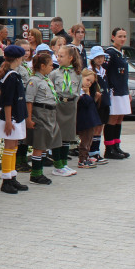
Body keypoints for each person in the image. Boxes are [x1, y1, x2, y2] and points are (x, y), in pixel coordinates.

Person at [0, 45, 28, 194]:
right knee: (10, 146)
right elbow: (7, 101)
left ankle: (12, 176)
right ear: (19, 59)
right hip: (10, 116)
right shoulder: (11, 76)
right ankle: (6, 179)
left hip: (15, 115)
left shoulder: (10, 73)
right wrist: (8, 121)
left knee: (14, 146)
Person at [25, 52, 60, 186]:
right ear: (42, 65)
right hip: (40, 113)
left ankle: (39, 172)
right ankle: (36, 174)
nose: (52, 67)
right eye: (50, 65)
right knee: (39, 145)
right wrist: (29, 118)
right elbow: (29, 101)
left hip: (49, 113)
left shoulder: (46, 79)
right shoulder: (34, 81)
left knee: (45, 143)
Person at [50, 44, 81, 176]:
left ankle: (64, 163)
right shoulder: (54, 73)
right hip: (58, 105)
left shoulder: (77, 74)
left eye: (62, 56)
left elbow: (78, 91)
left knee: (67, 136)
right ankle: (57, 165)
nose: (59, 58)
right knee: (57, 135)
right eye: (58, 56)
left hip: (70, 106)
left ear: (71, 58)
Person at [103, 28, 131, 160]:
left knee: (120, 118)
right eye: (120, 36)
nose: (123, 39)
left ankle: (116, 145)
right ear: (113, 37)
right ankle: (109, 148)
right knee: (113, 118)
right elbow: (104, 71)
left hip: (122, 89)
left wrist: (128, 90)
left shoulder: (121, 53)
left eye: (124, 36)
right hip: (114, 90)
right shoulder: (110, 53)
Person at [87, 46, 110, 165]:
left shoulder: (103, 70)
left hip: (104, 102)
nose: (100, 59)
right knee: (95, 127)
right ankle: (91, 152)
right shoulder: (90, 71)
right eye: (97, 57)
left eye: (102, 57)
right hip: (96, 103)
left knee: (100, 127)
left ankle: (96, 151)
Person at [75, 70, 102, 169]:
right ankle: (82, 160)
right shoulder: (80, 92)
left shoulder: (88, 91)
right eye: (87, 80)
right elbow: (85, 103)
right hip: (84, 120)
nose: (88, 83)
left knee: (89, 140)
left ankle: (86, 157)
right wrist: (87, 94)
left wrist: (94, 98)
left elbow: (91, 105)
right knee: (85, 141)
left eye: (91, 82)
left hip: (90, 120)